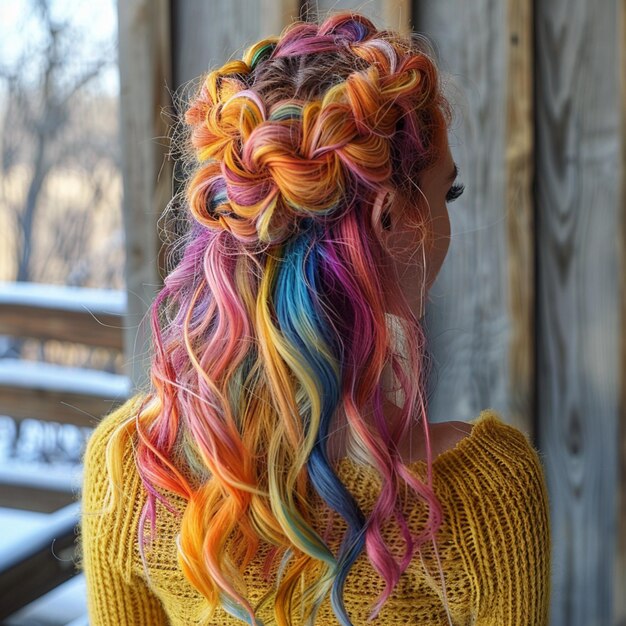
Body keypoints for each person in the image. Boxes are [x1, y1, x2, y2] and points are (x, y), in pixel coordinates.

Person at [78, 11, 551, 626]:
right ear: (387, 220)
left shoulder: (131, 470)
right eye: (446, 193)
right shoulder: (485, 499)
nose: (448, 222)